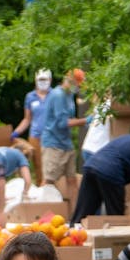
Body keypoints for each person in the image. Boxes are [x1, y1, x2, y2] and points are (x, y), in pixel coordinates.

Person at [70, 134, 130, 225]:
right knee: (116, 216)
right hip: (110, 171)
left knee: (83, 211)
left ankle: (72, 232)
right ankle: (116, 237)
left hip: (91, 165)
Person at [40, 68, 88, 206]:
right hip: (53, 144)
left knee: (72, 180)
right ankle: (41, 213)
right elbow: (62, 123)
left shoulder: (68, 95)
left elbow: (69, 118)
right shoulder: (58, 95)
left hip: (66, 143)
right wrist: (85, 121)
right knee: (49, 180)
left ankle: (76, 216)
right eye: (78, 85)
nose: (78, 88)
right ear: (70, 81)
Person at [11, 68, 53, 185]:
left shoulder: (55, 95)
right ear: (35, 80)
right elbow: (27, 119)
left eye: (45, 79)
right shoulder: (30, 97)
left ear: (50, 80)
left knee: (49, 166)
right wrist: (16, 132)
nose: (43, 81)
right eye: (40, 79)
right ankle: (41, 192)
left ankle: (51, 192)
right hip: (35, 136)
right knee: (38, 167)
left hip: (51, 136)